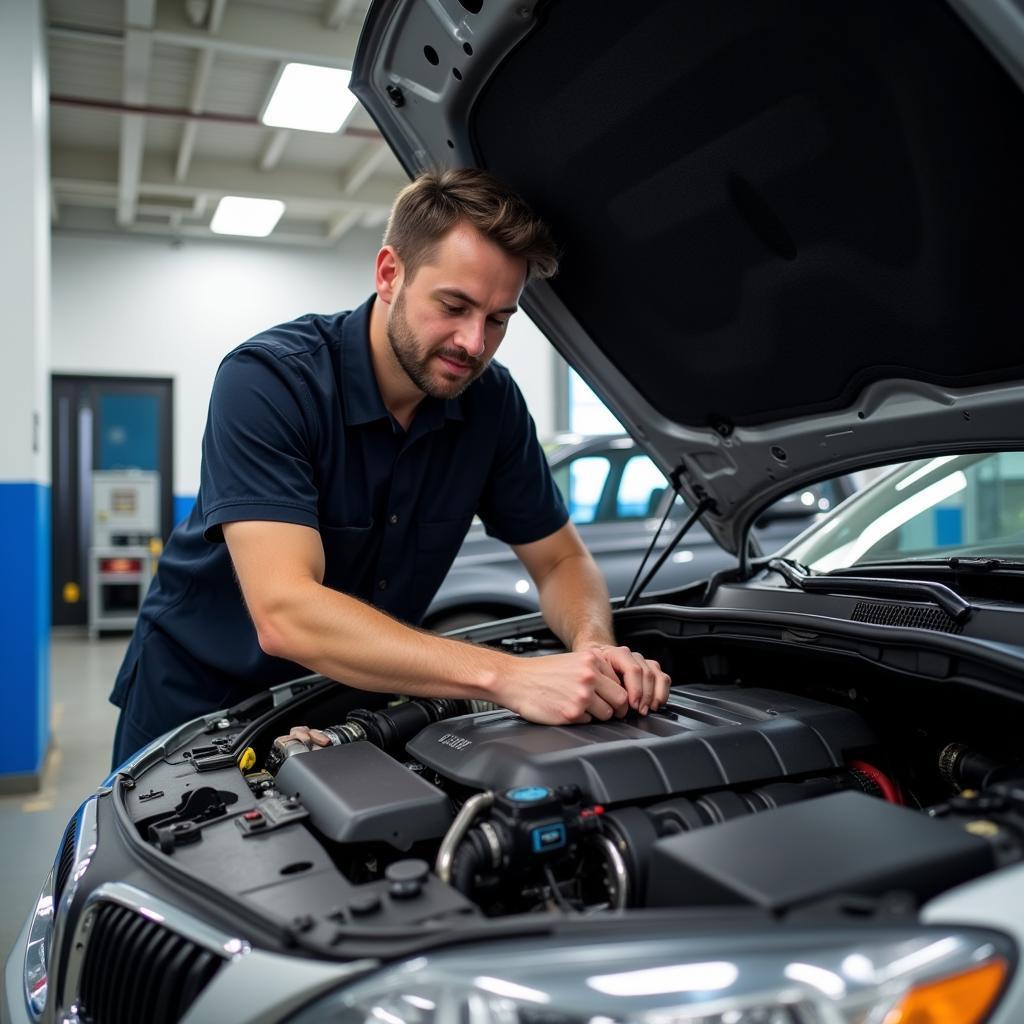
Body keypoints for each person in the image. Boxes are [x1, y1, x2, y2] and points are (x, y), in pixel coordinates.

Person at [109, 168, 671, 767]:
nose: (474, 343)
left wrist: (593, 649)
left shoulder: (491, 405)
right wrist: (509, 676)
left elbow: (560, 559)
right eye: (454, 306)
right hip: (198, 705)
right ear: (389, 274)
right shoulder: (270, 381)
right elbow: (286, 612)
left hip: (340, 706)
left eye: (499, 319)